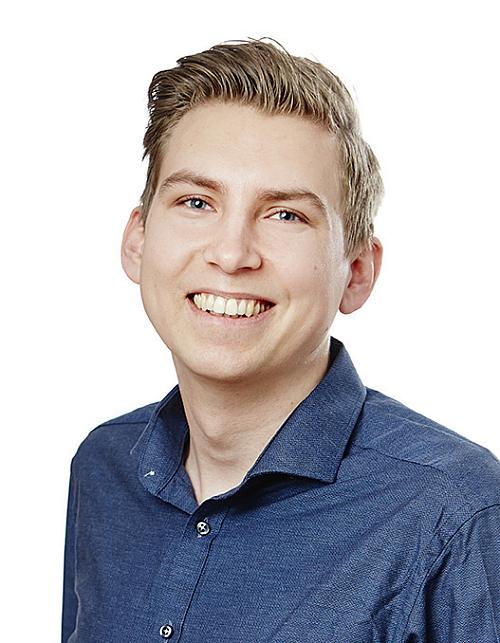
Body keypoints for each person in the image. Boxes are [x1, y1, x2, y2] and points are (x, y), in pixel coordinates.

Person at [61, 38, 500, 642]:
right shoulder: (103, 468)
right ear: (137, 240)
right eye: (196, 201)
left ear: (357, 272)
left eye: (285, 214)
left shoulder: (456, 511)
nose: (231, 253)